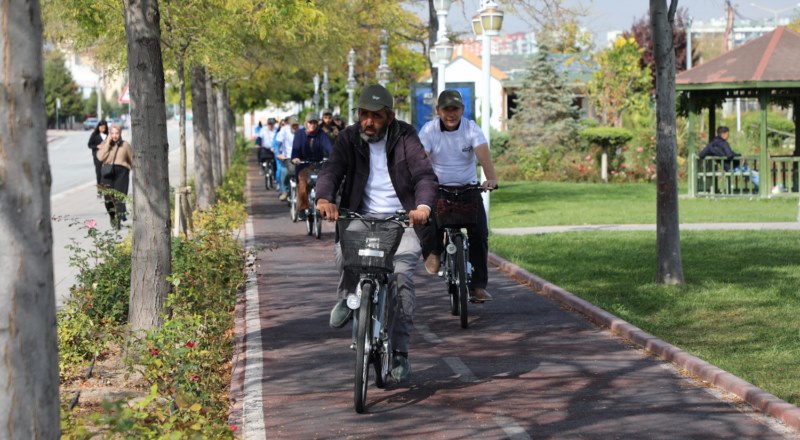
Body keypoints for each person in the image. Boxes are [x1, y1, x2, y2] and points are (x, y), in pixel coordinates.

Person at [316, 84, 438, 382]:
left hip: (402, 220)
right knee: (345, 254)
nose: (369, 122)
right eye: (364, 115)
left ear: (390, 117)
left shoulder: (405, 136)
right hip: (361, 215)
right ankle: (348, 298)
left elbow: (424, 174)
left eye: (377, 116)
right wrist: (324, 197)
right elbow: (332, 169)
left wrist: (422, 206)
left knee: (401, 279)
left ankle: (399, 351)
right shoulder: (348, 136)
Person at [418, 90, 498, 302]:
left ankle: (478, 286)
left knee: (479, 234)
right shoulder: (429, 130)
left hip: (468, 189)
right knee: (427, 222)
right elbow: (421, 159)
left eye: (455, 109)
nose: (451, 114)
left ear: (462, 110)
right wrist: (419, 183)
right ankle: (434, 252)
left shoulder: (471, 129)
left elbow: (483, 154)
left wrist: (491, 178)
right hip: (439, 188)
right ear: (438, 111)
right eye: (446, 109)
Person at [291, 113, 333, 220]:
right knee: (303, 183)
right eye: (310, 123)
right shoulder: (299, 134)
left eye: (315, 123)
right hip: (303, 165)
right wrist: (295, 158)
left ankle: (324, 208)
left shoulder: (321, 134)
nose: (313, 125)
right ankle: (302, 208)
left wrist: (334, 157)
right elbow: (295, 149)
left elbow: (329, 148)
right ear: (306, 124)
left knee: (325, 182)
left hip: (318, 165)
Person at [96, 124, 133, 228]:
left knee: (120, 196)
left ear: (120, 133)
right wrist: (107, 143)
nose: (114, 135)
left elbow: (132, 159)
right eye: (112, 133)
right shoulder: (105, 144)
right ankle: (112, 215)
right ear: (109, 134)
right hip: (107, 173)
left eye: (117, 133)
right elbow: (100, 157)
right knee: (108, 198)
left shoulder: (125, 145)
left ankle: (119, 218)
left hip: (122, 172)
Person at [699, 125, 759, 190]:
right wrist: (739, 156)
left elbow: (701, 155)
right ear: (723, 134)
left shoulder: (711, 145)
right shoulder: (724, 143)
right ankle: (764, 189)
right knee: (754, 174)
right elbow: (729, 155)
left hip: (727, 168)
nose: (728, 136)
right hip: (734, 167)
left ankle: (758, 189)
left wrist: (714, 156)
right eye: (728, 134)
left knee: (751, 173)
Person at [272, 115, 300, 201]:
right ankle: (284, 191)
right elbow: (277, 144)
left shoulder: (302, 130)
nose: (295, 127)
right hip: (287, 156)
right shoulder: (284, 130)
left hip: (299, 158)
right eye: (293, 125)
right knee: (284, 172)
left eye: (297, 125)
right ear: (289, 125)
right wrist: (278, 154)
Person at [87, 119, 109, 190]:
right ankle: (99, 188)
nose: (102, 129)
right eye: (101, 127)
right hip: (97, 156)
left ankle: (106, 186)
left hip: (107, 156)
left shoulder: (108, 135)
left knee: (106, 171)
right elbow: (89, 145)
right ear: (98, 127)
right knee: (98, 172)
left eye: (104, 127)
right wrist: (97, 146)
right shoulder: (94, 135)